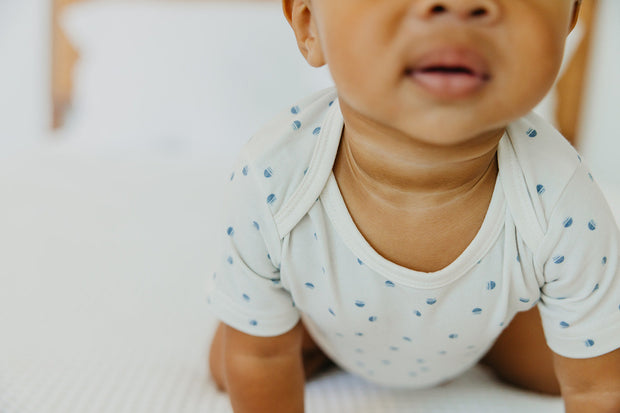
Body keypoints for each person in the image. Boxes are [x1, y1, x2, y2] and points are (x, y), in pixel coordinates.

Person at [207, 1, 620, 412]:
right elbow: (258, 356)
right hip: (320, 322)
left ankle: (489, 342)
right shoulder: (273, 178)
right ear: (309, 23)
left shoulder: (562, 199)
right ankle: (304, 335)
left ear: (567, 21)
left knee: (588, 357)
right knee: (239, 359)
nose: (458, 6)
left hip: (487, 329)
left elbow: (598, 389)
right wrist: (267, 347)